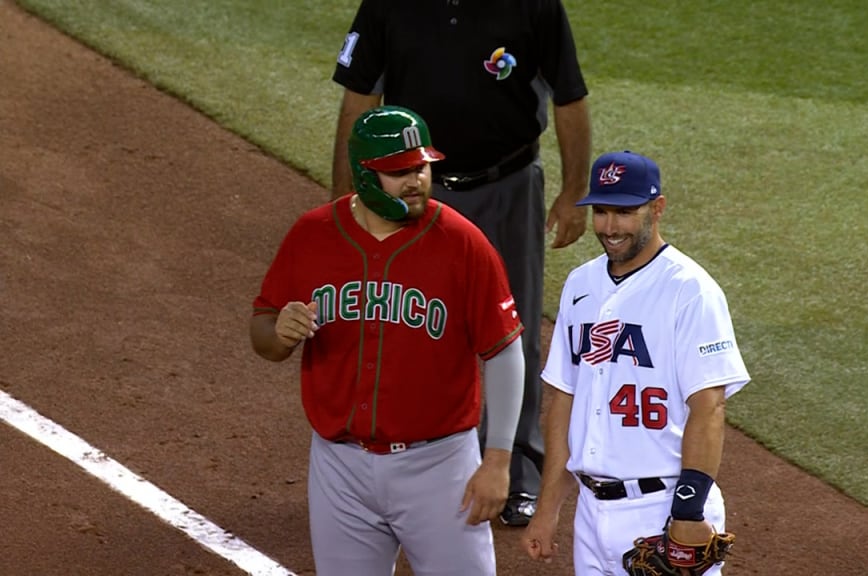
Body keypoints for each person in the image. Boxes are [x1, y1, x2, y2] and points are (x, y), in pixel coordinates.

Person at [329, 0, 592, 527]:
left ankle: (518, 471)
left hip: (509, 186)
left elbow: (570, 97)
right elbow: (359, 100)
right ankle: (409, 463)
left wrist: (574, 190)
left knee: (510, 329)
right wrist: (344, 202)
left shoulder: (534, 5)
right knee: (404, 318)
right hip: (411, 193)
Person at [250, 105, 526, 576]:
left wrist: (498, 458)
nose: (415, 180)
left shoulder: (463, 244)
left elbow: (504, 351)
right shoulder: (312, 235)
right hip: (340, 467)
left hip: (439, 466)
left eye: (420, 167)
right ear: (363, 173)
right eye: (397, 172)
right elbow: (263, 327)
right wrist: (279, 333)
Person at [520, 150, 750, 575]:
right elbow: (565, 398)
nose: (610, 227)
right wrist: (548, 506)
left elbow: (709, 406)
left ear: (657, 208)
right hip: (591, 513)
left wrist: (689, 510)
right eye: (601, 212)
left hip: (661, 508)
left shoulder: (691, 291)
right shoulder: (580, 285)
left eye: (625, 212)